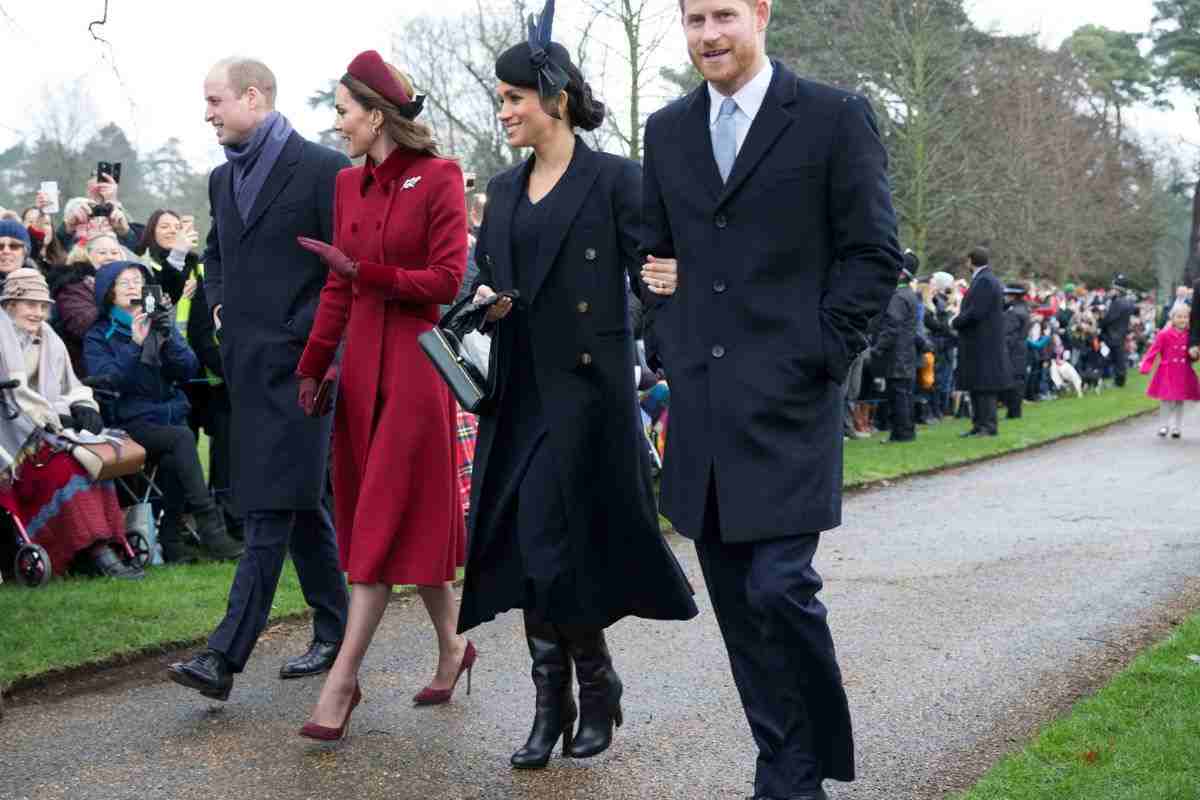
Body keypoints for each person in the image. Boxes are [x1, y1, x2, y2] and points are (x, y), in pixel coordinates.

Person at [641, 0, 900, 794]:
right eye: (693, 20)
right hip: (705, 408)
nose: (709, 35)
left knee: (779, 588)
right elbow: (654, 255)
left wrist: (823, 352)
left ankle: (798, 765)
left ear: (760, 14)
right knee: (738, 610)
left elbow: (872, 254)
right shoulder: (666, 130)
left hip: (790, 402)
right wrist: (667, 327)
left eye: (724, 14)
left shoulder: (833, 117)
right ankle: (787, 766)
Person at [464, 8, 698, 769]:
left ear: (554, 97)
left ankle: (584, 690)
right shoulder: (501, 190)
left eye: (513, 99)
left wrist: (637, 330)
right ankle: (565, 694)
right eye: (499, 100)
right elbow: (488, 283)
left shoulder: (616, 180)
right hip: (517, 393)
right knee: (535, 547)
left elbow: (652, 280)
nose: (503, 112)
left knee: (558, 546)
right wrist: (483, 307)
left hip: (587, 398)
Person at [291, 50, 471, 740]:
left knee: (374, 529)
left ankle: (342, 683)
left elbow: (447, 282)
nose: (337, 124)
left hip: (417, 373)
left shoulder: (440, 177)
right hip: (361, 372)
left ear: (376, 113)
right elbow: (338, 287)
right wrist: (313, 367)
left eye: (343, 111)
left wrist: (367, 270)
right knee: (403, 523)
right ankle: (454, 648)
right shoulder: (344, 186)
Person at [166, 57, 349, 703]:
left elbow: (346, 268)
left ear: (253, 96)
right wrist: (218, 306)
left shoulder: (325, 171)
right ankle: (339, 628)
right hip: (247, 371)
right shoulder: (221, 180)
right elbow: (216, 255)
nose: (207, 112)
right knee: (300, 505)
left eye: (215, 99)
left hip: (307, 371)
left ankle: (223, 657)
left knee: (270, 507)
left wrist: (302, 331)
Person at [83, 261, 241, 565]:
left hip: (166, 417)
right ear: (108, 292)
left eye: (138, 281)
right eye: (124, 282)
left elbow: (188, 368)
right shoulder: (99, 334)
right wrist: (134, 343)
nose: (133, 286)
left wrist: (167, 338)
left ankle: (172, 543)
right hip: (126, 421)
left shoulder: (156, 321)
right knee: (181, 438)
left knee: (173, 456)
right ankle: (211, 526)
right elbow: (109, 382)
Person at [0, 268, 140, 580]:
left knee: (96, 463)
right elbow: (14, 396)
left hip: (51, 432)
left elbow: (72, 383)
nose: (38, 312)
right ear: (10, 305)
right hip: (11, 440)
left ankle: (104, 546)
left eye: (42, 305)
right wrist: (54, 417)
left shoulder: (50, 337)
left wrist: (82, 404)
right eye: (30, 305)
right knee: (67, 469)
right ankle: (92, 551)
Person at [140, 210, 237, 533]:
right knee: (182, 449)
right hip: (170, 376)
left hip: (206, 374)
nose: (171, 230)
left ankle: (223, 516)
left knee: (223, 447)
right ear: (150, 232)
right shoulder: (143, 269)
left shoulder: (202, 266)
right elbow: (155, 309)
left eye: (176, 225)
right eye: (163, 226)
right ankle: (177, 524)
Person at [48, 234, 125, 376]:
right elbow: (83, 325)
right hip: (88, 368)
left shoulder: (131, 284)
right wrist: (119, 306)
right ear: (87, 255)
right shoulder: (73, 285)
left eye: (115, 252)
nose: (110, 257)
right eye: (102, 252)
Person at [952, 247, 1009, 437]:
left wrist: (956, 321)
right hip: (982, 342)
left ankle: (987, 426)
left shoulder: (984, 281)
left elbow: (976, 311)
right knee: (977, 385)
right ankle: (979, 424)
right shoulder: (986, 279)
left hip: (982, 342)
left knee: (984, 387)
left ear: (970, 260)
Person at [873, 255, 919, 443]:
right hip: (906, 352)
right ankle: (907, 430)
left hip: (896, 354)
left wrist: (878, 348)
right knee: (905, 394)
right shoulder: (909, 294)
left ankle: (900, 433)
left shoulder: (898, 297)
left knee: (898, 395)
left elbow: (892, 326)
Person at [1140, 303, 1200, 439]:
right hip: (1167, 371)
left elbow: (1195, 355)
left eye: (1185, 317)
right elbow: (1153, 351)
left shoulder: (1191, 336)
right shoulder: (1164, 334)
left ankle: (1176, 427)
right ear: (1172, 318)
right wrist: (1146, 366)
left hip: (1183, 372)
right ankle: (1164, 425)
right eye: (1179, 317)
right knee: (1166, 400)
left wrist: (1195, 354)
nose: (1182, 320)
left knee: (1180, 400)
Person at [1001, 284, 1031, 419]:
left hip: (1013, 351)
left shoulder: (1013, 312)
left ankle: (1013, 412)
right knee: (1018, 380)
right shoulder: (1023, 309)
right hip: (1020, 349)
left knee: (1014, 381)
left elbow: (1009, 334)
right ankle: (1015, 411)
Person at [1101, 274, 1137, 387]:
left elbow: (1109, 319)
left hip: (1114, 334)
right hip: (1120, 333)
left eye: (1113, 288)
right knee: (1118, 358)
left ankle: (1118, 381)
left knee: (1118, 359)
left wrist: (1100, 322)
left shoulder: (1118, 302)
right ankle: (1118, 380)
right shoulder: (1127, 301)